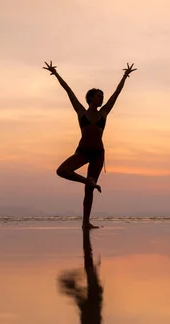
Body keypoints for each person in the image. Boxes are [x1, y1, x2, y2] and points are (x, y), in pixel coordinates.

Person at [43, 61, 137, 229]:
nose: (102, 98)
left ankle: (86, 222)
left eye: (102, 96)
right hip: (83, 152)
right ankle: (88, 181)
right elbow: (68, 91)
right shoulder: (81, 112)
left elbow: (117, 93)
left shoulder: (104, 113)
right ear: (91, 98)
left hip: (98, 154)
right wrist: (56, 74)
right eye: (99, 96)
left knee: (89, 191)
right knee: (62, 171)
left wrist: (124, 76)